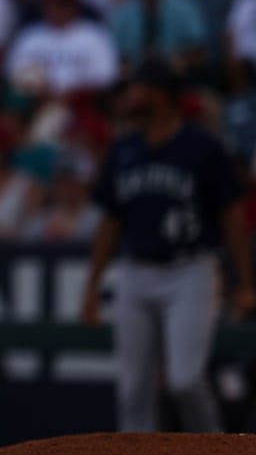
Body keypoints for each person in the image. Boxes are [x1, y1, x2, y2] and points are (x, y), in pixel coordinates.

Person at [81, 59, 256, 433]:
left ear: (161, 94)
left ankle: (216, 454)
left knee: (185, 379)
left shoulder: (203, 147)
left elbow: (232, 217)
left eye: (137, 87)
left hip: (190, 269)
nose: (129, 95)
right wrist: (92, 286)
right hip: (135, 270)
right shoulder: (124, 148)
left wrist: (244, 281)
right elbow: (110, 223)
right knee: (132, 389)